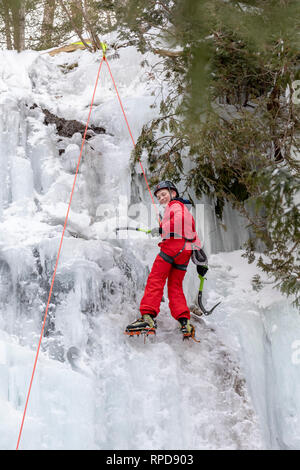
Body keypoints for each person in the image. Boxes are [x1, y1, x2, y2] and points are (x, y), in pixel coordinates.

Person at [125, 180, 202, 339]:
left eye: (164, 194)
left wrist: (162, 228)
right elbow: (191, 232)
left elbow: (178, 221)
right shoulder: (185, 210)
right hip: (185, 251)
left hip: (173, 246)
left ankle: (148, 317)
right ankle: (184, 322)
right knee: (175, 286)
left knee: (156, 279)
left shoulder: (176, 205)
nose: (161, 199)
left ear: (173, 193)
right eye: (159, 197)